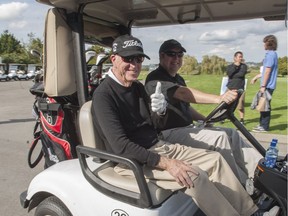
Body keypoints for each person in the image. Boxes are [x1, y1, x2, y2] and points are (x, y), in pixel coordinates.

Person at [91, 34, 279, 216]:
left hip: (157, 146)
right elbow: (121, 146)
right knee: (195, 176)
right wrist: (167, 163)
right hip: (133, 161)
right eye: (128, 59)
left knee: (216, 160)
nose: (135, 65)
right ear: (114, 59)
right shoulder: (104, 95)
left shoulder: (137, 87)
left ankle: (250, 210)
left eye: (139, 59)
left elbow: (155, 126)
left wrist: (160, 110)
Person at [145, 39, 263, 185]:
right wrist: (219, 98)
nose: (176, 58)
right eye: (171, 54)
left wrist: (206, 120)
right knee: (220, 138)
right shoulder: (155, 79)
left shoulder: (178, 78)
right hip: (168, 133)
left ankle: (262, 170)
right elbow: (182, 94)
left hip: (186, 129)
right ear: (162, 56)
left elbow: (186, 107)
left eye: (180, 55)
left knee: (231, 133)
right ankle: (243, 184)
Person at [250, 35, 278, 132]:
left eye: (264, 43)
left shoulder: (270, 55)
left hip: (267, 86)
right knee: (262, 105)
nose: (263, 45)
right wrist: (256, 77)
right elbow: (265, 71)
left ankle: (264, 127)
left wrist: (263, 86)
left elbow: (267, 71)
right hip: (268, 85)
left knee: (265, 106)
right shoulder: (272, 54)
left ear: (268, 43)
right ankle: (261, 124)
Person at [226, 51, 248, 125]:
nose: (241, 58)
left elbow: (241, 74)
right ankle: (224, 117)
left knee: (240, 106)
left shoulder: (244, 66)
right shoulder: (230, 66)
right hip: (230, 88)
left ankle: (241, 120)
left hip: (240, 89)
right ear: (235, 58)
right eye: (239, 57)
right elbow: (229, 73)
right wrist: (236, 66)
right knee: (226, 104)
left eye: (241, 57)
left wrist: (235, 73)